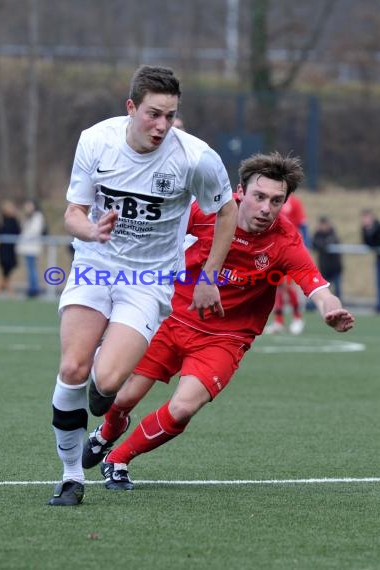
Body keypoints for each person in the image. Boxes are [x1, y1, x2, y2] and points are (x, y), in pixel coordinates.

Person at [81, 151, 355, 494]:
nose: (266, 208)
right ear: (240, 190)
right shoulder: (205, 211)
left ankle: (118, 459)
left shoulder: (284, 242)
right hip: (173, 318)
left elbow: (317, 285)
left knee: (182, 408)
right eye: (259, 196)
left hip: (225, 338)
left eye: (276, 200)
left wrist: (331, 308)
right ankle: (107, 432)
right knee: (122, 399)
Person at [48, 65, 237, 506]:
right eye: (153, 114)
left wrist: (209, 275)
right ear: (130, 108)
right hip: (96, 264)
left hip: (148, 281)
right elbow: (74, 211)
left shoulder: (195, 157)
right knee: (73, 368)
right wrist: (89, 232)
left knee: (108, 381)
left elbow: (226, 211)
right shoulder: (95, 140)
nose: (162, 126)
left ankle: (103, 379)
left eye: (170, 116)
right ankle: (72, 476)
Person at [265, 193, 310, 334]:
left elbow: (303, 225)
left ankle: (298, 318)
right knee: (276, 285)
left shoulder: (294, 202)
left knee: (287, 284)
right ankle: (279, 321)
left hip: (289, 248)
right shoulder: (271, 200)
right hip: (272, 248)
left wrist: (303, 247)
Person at [16, 200, 46, 297]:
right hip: (26, 247)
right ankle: (31, 287)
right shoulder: (27, 217)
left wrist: (26, 237)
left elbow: (34, 231)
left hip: (32, 247)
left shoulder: (38, 217)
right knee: (29, 268)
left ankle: (34, 289)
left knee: (32, 269)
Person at [361, 209, 380, 313]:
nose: (365, 220)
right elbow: (367, 243)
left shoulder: (379, 227)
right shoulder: (365, 229)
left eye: (366, 218)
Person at [312, 216, 343, 300]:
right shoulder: (318, 234)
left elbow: (330, 242)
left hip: (335, 267)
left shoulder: (332, 233)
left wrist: (323, 244)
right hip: (324, 268)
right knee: (324, 290)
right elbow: (315, 243)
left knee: (337, 291)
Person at [0, 200, 21, 294]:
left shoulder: (14, 220)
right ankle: (6, 288)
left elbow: (18, 231)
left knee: (9, 268)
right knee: (5, 269)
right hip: (3, 249)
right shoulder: (1, 220)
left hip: (11, 249)